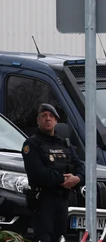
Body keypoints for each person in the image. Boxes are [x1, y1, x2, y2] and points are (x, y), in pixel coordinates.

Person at [22, 103, 84, 242]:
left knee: (60, 237)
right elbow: (38, 173)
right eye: (43, 116)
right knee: (44, 237)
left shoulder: (64, 144)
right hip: (43, 200)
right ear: (38, 121)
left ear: (56, 121)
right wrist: (65, 180)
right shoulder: (31, 144)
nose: (48, 119)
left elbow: (79, 166)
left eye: (51, 116)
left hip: (63, 200)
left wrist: (78, 179)